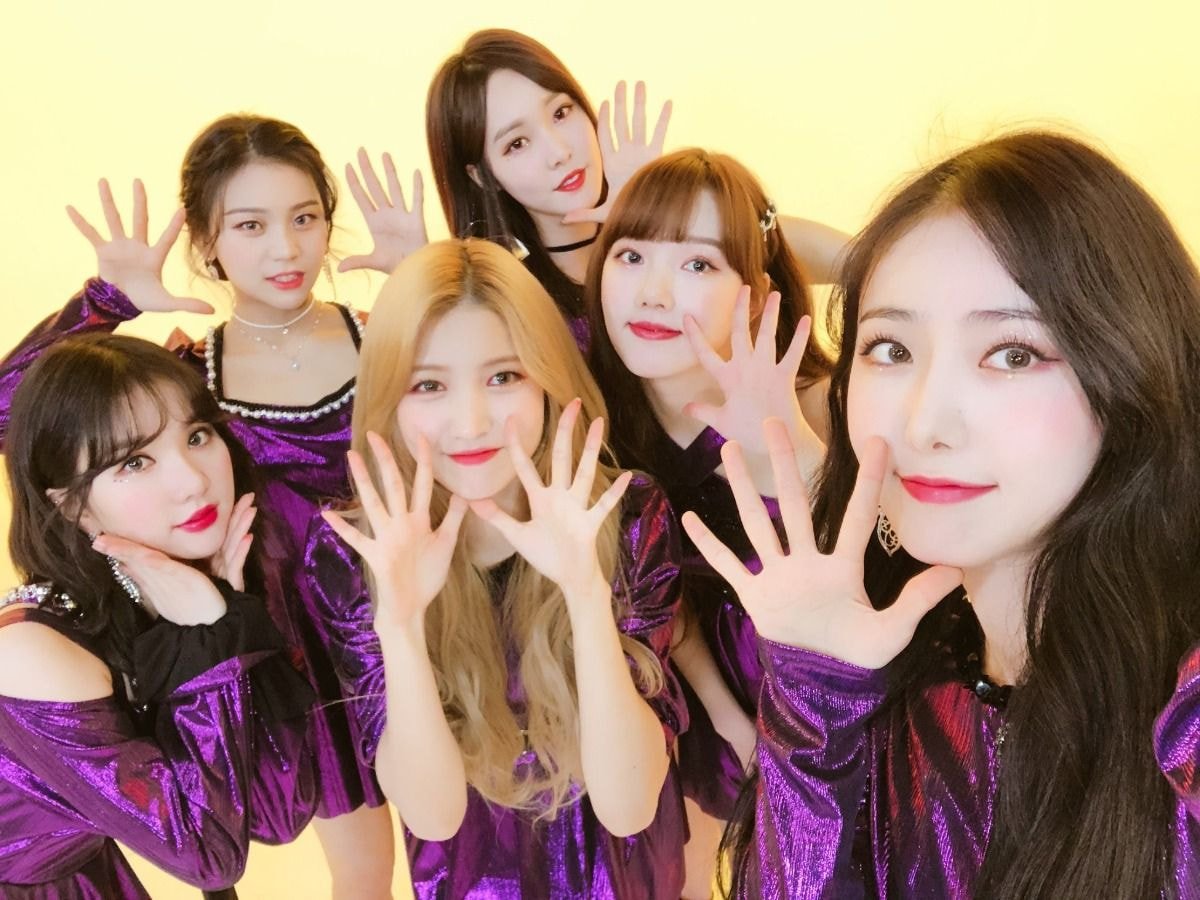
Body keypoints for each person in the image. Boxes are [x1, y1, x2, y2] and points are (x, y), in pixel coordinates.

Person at [679, 131, 1200, 898]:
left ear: (1134, 374)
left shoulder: (1182, 719)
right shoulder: (905, 685)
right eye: (890, 349)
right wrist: (811, 708)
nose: (925, 424)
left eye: (1013, 354)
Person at [0, 114, 391, 897]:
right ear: (206, 241)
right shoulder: (183, 378)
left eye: (305, 217)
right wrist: (106, 301)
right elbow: (29, 419)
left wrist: (432, 286)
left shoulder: (384, 335)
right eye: (250, 225)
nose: (285, 248)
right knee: (363, 869)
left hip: (399, 618)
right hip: (287, 642)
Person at [305, 238, 689, 898]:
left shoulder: (623, 514)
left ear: (548, 379)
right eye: (428, 385)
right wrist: (400, 624)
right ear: (388, 400)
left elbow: (629, 806)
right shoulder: (354, 551)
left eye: (504, 377)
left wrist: (584, 594)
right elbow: (432, 816)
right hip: (472, 877)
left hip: (623, 874)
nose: (471, 422)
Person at [584, 147, 834, 896]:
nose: (653, 293)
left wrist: (784, 452)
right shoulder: (596, 415)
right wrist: (727, 722)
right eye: (631, 255)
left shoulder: (819, 404)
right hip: (685, 706)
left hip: (823, 709)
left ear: (755, 298)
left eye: (698, 263)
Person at [0, 333, 315, 898]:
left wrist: (225, 619)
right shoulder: (31, 654)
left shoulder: (164, 597)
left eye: (197, 436)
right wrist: (208, 635)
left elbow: (277, 811)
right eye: (135, 461)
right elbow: (209, 855)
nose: (194, 481)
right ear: (71, 506)